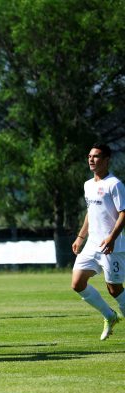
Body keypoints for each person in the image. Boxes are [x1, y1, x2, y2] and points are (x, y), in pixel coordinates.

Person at [71, 142, 125, 340]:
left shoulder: (115, 184)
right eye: (89, 156)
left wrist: (111, 237)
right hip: (92, 245)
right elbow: (90, 212)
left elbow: (123, 213)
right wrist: (80, 236)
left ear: (106, 159)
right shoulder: (88, 185)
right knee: (77, 283)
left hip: (112, 246)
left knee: (114, 289)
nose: (91, 160)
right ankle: (109, 316)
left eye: (96, 156)